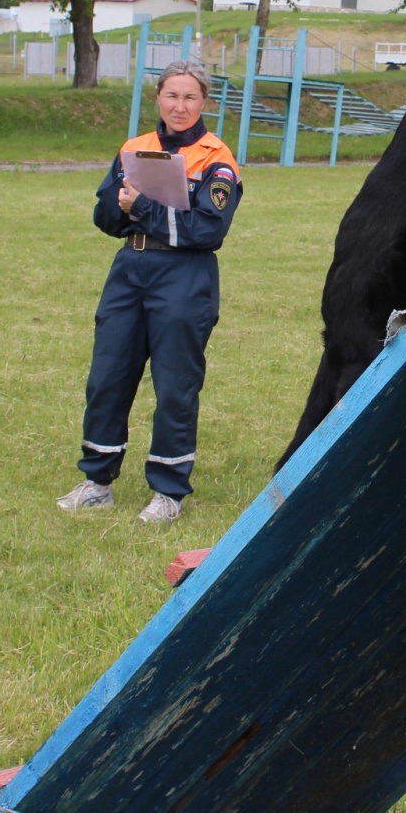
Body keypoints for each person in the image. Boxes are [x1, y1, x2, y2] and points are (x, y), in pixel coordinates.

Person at [59, 60, 241, 523]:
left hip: (185, 276)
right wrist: (122, 204)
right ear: (157, 97)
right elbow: (104, 218)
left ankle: (168, 491)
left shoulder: (215, 157)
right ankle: (98, 482)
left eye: (190, 97)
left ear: (205, 102)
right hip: (130, 269)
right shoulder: (134, 148)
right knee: (108, 375)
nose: (180, 106)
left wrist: (142, 206)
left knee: (175, 384)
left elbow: (207, 230)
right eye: (171, 96)